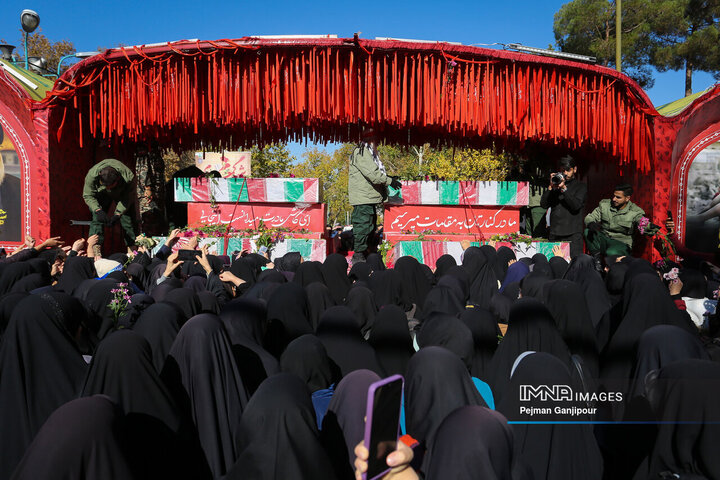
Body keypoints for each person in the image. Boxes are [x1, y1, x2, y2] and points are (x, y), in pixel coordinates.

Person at [348, 127, 401, 259]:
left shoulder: (367, 152)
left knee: (370, 228)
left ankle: (367, 255)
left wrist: (389, 178)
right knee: (363, 228)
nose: (378, 143)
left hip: (368, 198)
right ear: (371, 139)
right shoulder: (361, 152)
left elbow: (374, 172)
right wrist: (389, 181)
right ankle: (359, 257)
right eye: (376, 140)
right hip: (363, 199)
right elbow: (373, 174)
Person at [83, 158, 136, 253]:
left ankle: (132, 249)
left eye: (110, 186)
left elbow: (127, 199)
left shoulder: (128, 177)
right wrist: (97, 210)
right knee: (97, 219)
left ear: (118, 179)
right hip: (101, 193)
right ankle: (95, 250)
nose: (108, 188)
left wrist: (118, 214)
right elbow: (88, 195)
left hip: (121, 194)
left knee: (127, 220)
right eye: (106, 185)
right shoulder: (92, 175)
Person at [540, 155, 587, 258]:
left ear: (575, 169)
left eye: (568, 170)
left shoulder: (580, 186)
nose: (565, 173)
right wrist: (550, 187)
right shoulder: (554, 187)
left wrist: (564, 189)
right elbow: (543, 204)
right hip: (555, 233)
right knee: (554, 264)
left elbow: (575, 205)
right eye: (562, 170)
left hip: (573, 234)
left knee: (573, 265)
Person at [584, 183, 645, 261]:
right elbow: (590, 217)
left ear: (627, 198)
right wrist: (591, 223)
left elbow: (642, 221)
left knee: (611, 252)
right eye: (614, 196)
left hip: (621, 242)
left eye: (618, 197)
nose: (614, 199)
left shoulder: (635, 211)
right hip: (605, 239)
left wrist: (647, 227)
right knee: (587, 231)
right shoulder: (605, 205)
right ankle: (597, 260)